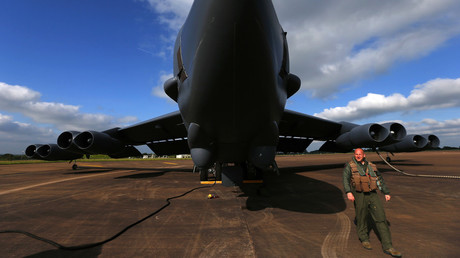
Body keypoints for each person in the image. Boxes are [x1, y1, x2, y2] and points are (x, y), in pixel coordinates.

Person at [343, 148, 402, 257]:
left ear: (364, 155)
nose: (358, 156)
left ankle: (388, 246)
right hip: (359, 194)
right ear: (354, 155)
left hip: (372, 194)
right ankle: (364, 238)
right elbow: (345, 180)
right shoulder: (349, 166)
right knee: (361, 217)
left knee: (381, 218)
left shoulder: (371, 166)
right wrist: (348, 192)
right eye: (356, 154)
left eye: (360, 154)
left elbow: (379, 179)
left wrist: (385, 192)